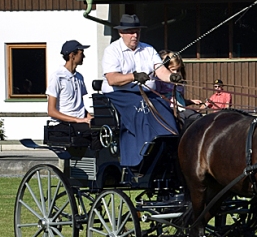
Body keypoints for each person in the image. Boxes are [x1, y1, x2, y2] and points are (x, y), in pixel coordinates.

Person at [100, 13, 181, 166]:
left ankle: (168, 153)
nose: (135, 35)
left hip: (147, 94)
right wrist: (134, 76)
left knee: (165, 110)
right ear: (121, 32)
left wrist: (171, 78)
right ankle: (142, 158)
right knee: (142, 110)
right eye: (131, 31)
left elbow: (160, 70)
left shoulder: (148, 49)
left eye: (137, 31)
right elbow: (112, 78)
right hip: (120, 94)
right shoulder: (112, 51)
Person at [46, 40, 92, 125]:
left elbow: (79, 106)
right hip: (63, 125)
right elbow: (51, 111)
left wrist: (89, 117)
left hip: (80, 124)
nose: (84, 56)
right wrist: (76, 119)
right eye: (81, 53)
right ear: (72, 55)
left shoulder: (79, 77)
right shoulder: (57, 77)